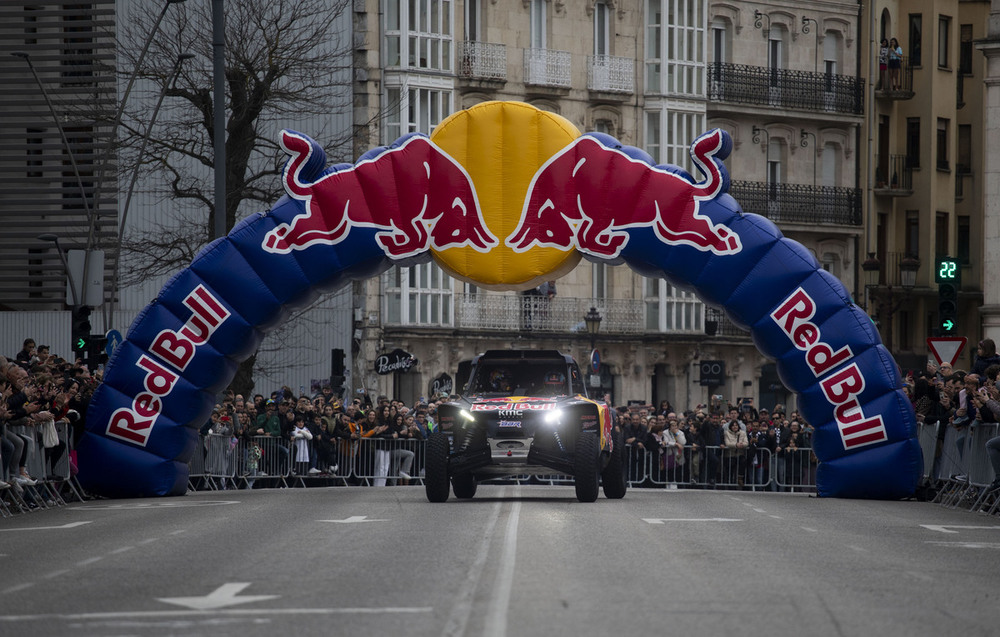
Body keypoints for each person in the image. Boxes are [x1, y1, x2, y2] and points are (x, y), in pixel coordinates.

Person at [722, 418, 748, 487]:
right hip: (730, 455)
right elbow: (727, 443)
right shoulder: (726, 433)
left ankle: (740, 478)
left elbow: (746, 442)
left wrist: (742, 445)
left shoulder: (743, 433)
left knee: (743, 461)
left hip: (739, 454)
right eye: (733, 425)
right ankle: (729, 484)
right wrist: (736, 445)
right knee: (730, 468)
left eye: (736, 425)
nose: (735, 427)